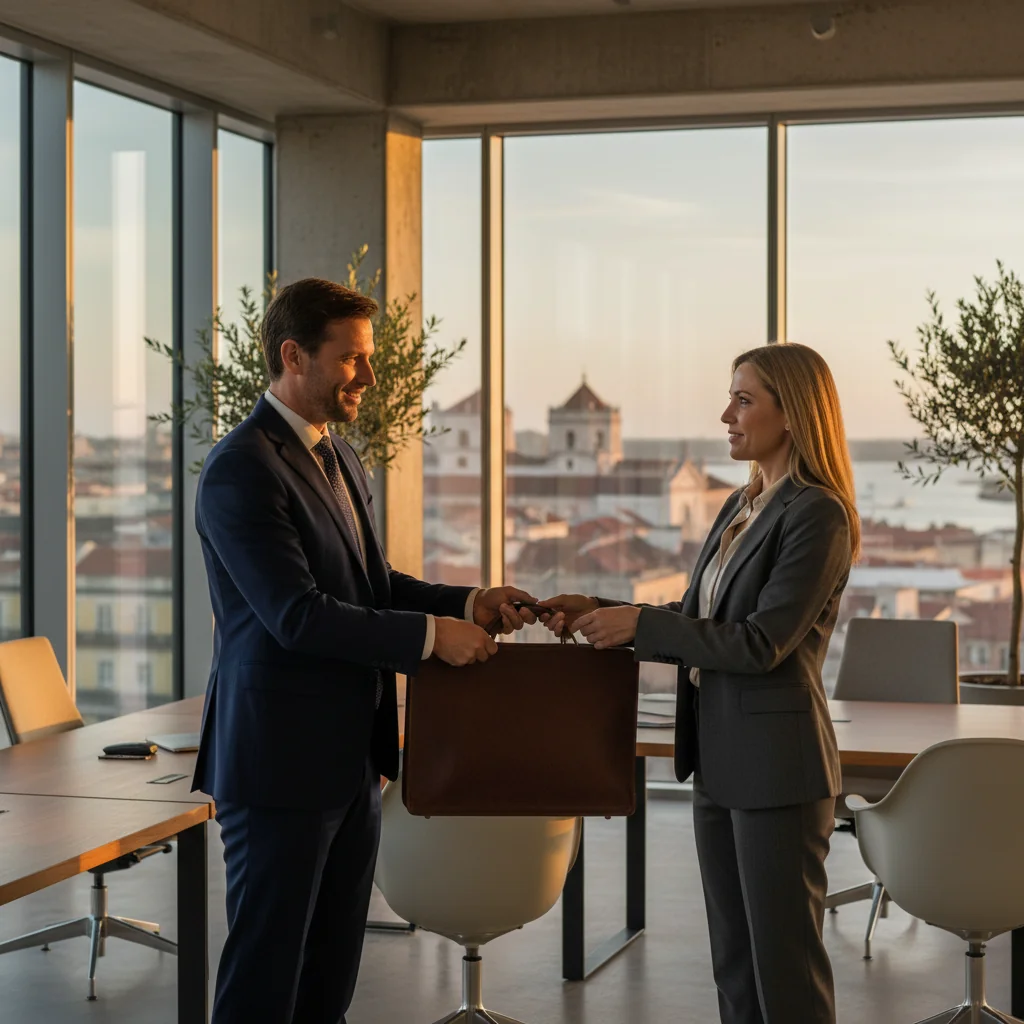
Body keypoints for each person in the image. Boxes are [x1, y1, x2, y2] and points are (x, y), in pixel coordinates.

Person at [191, 277, 537, 1024]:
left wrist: (466, 602)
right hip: (279, 764)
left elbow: (373, 583)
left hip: (350, 758)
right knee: (265, 975)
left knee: (328, 974)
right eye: (353, 359)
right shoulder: (240, 468)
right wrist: (430, 639)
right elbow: (297, 616)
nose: (371, 377)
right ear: (294, 356)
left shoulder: (336, 456)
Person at [541, 343, 859, 1024]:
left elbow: (759, 642)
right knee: (736, 965)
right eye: (731, 396)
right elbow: (697, 618)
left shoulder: (818, 515)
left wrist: (638, 626)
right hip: (717, 756)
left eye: (744, 400)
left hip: (778, 770)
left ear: (794, 414)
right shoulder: (742, 507)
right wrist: (601, 612)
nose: (727, 414)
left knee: (786, 970)